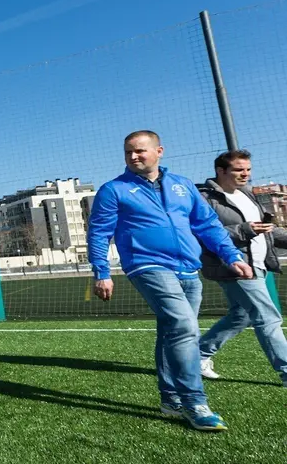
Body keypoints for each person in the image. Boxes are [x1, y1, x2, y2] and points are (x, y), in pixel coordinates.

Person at [88, 130, 252, 432]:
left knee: (170, 331)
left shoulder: (182, 185)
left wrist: (232, 256)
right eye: (128, 152)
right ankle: (195, 402)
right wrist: (102, 273)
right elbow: (99, 233)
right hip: (146, 265)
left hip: (189, 268)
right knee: (184, 327)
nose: (134, 156)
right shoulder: (114, 190)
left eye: (140, 151)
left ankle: (170, 397)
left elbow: (207, 225)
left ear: (159, 151)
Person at [196, 149, 287, 384]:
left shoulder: (247, 195)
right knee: (268, 318)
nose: (245, 174)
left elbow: (266, 231)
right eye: (239, 170)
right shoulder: (206, 198)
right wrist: (245, 229)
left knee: (242, 315)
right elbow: (204, 235)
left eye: (248, 169)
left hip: (258, 265)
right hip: (233, 266)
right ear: (221, 171)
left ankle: (197, 355)